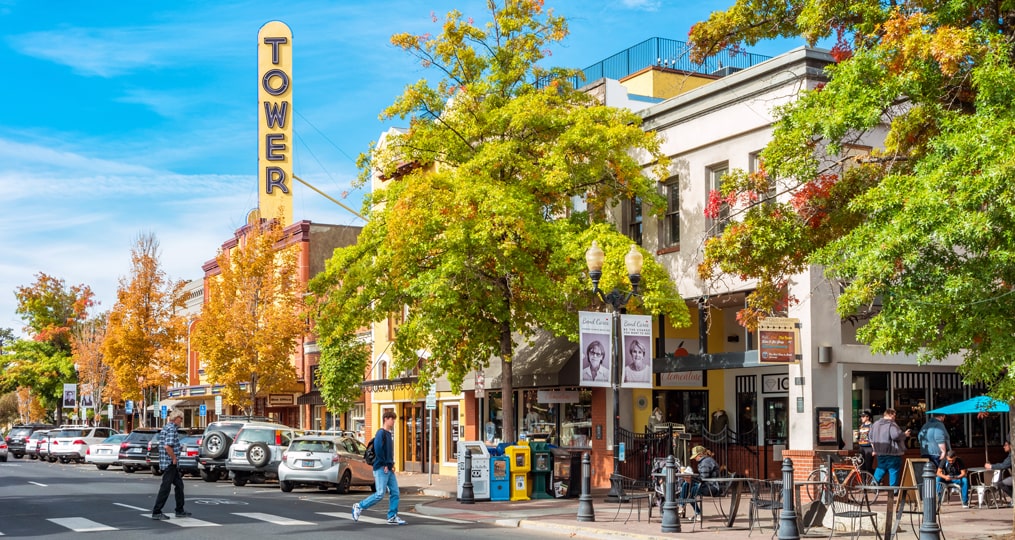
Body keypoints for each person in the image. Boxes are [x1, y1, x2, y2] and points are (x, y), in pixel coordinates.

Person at [352, 410, 406, 525]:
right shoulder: (380, 433)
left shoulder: (388, 434)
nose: (393, 422)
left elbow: (388, 452)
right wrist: (385, 464)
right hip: (381, 467)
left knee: (395, 492)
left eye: (394, 419)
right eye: (392, 419)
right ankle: (359, 506)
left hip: (389, 468)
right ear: (386, 419)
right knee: (380, 494)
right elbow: (378, 449)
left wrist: (391, 465)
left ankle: (392, 516)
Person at [151, 409, 190, 520]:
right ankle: (157, 511)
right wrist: (174, 458)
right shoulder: (172, 429)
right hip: (170, 463)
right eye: (180, 419)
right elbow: (168, 446)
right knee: (165, 487)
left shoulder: (166, 428)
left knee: (179, 485)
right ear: (176, 418)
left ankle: (180, 510)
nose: (181, 421)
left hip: (168, 462)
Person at [870, 408, 911, 486]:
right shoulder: (891, 424)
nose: (894, 418)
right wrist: (905, 434)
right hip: (892, 452)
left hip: (880, 452)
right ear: (890, 414)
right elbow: (895, 435)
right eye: (894, 415)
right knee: (894, 471)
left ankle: (874, 484)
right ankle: (893, 491)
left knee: (881, 468)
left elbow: (870, 437)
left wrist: (874, 449)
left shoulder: (875, 424)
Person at [681, 445, 723, 521]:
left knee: (688, 487)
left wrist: (691, 477)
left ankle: (684, 507)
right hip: (710, 485)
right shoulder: (706, 461)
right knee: (686, 485)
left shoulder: (705, 462)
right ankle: (683, 507)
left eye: (695, 456)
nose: (694, 458)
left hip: (712, 488)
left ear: (700, 455)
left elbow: (704, 477)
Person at [855, 410, 874, 474]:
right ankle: (863, 482)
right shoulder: (861, 426)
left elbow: (873, 437)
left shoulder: (871, 426)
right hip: (861, 447)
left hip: (868, 447)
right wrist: (857, 436)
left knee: (868, 466)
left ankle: (873, 479)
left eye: (863, 416)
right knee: (862, 466)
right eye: (861, 417)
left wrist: (874, 449)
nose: (861, 418)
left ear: (867, 417)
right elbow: (859, 437)